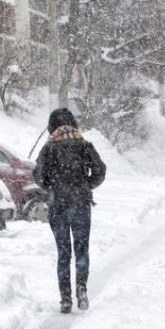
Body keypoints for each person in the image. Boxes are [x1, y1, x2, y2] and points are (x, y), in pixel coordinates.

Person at [34, 109, 107, 313]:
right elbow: (100, 170)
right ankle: (81, 289)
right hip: (81, 204)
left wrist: (52, 186)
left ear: (52, 126)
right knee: (82, 250)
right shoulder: (84, 145)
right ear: (73, 123)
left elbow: (39, 176)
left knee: (63, 253)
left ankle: (65, 298)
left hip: (58, 206)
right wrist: (86, 185)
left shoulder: (49, 147)